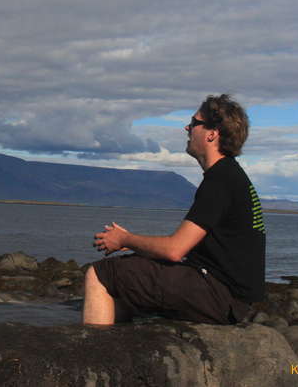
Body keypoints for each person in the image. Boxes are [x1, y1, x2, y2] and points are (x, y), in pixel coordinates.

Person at [82, 94, 265, 325]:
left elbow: (175, 249)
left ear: (212, 134)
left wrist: (124, 238)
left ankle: (93, 352)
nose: (187, 127)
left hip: (218, 296)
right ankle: (121, 349)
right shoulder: (230, 176)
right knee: (127, 290)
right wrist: (131, 244)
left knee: (101, 274)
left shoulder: (220, 180)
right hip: (230, 297)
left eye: (194, 122)